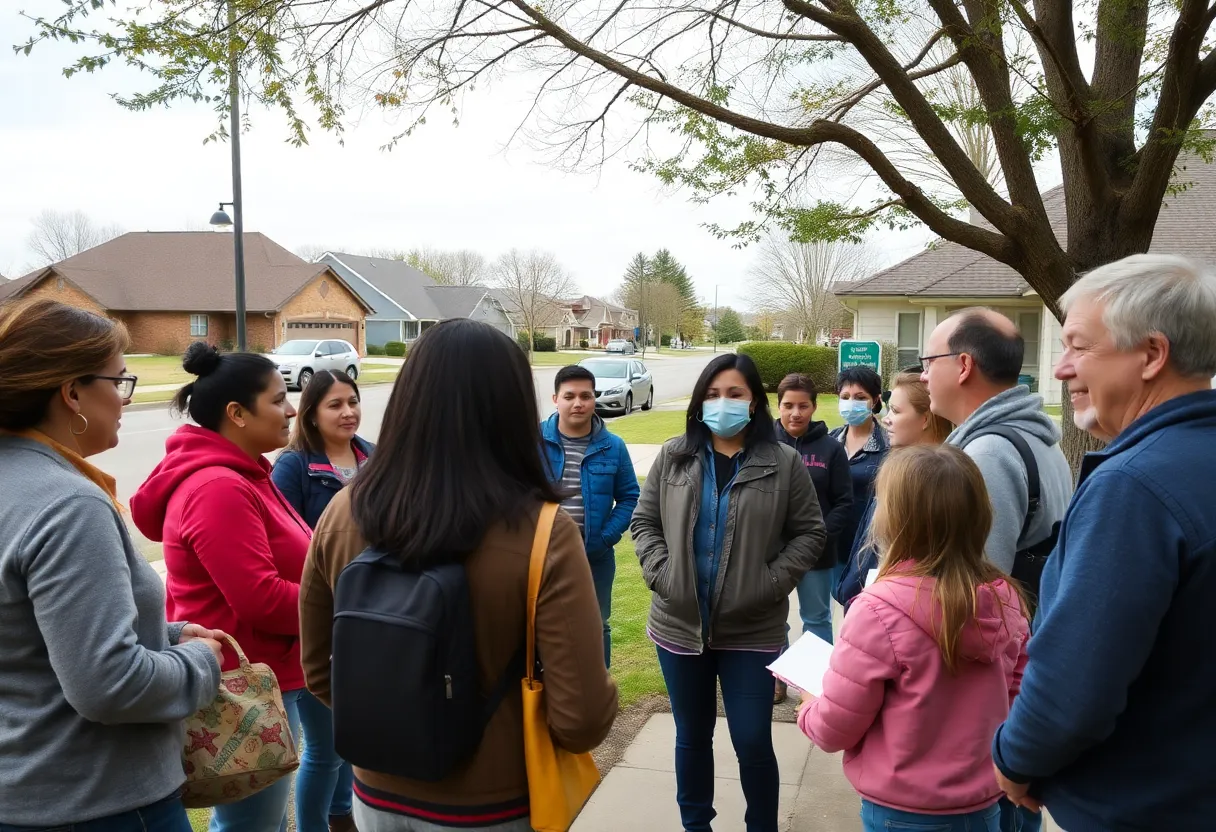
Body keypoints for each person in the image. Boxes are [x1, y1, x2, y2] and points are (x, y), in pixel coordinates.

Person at [298, 319, 618, 831]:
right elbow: (580, 719)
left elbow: (319, 669)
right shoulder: (543, 530)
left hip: (375, 796)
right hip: (493, 803)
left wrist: (401, 716)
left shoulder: (341, 511)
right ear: (512, 407)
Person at [992, 254, 1216, 830]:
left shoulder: (1133, 487)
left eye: (1078, 347)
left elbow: (1074, 684)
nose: (1061, 369)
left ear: (1151, 354)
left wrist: (1014, 759)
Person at [0, 299, 222, 832]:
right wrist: (199, 662)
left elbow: (27, 633)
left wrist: (160, 632)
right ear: (72, 392)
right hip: (102, 804)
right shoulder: (67, 504)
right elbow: (110, 684)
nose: (127, 397)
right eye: (119, 381)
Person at [631, 353, 826, 832]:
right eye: (713, 394)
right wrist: (663, 573)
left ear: (755, 402)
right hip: (679, 627)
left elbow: (810, 533)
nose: (723, 403)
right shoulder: (674, 455)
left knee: (753, 738)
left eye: (735, 393)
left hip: (752, 630)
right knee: (692, 736)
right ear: (699, 403)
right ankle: (696, 825)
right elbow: (644, 522)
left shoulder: (782, 463)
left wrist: (769, 583)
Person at [799, 444, 1030, 832]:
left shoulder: (876, 610)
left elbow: (834, 728)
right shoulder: (1005, 599)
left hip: (901, 812)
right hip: (982, 804)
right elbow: (1020, 700)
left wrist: (809, 703)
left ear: (893, 519)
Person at [131, 342, 312, 832]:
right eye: (277, 400)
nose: (291, 408)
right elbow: (262, 600)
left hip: (265, 674)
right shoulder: (219, 487)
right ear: (237, 413)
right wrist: (348, 602)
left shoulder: (248, 474)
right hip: (243, 687)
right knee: (250, 826)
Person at [272, 370, 374, 832]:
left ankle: (343, 816)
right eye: (335, 404)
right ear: (310, 413)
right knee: (323, 747)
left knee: (351, 737)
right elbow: (282, 543)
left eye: (352, 401)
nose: (348, 412)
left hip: (369, 618)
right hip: (318, 621)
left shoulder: (373, 457)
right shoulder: (292, 467)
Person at [920, 309, 1072, 577]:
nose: (923, 376)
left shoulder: (988, 455)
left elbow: (978, 589)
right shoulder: (1035, 433)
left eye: (929, 362)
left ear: (964, 366)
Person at [541, 365, 639, 667]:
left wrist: (604, 537)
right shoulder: (532, 442)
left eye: (586, 395)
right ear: (555, 399)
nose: (578, 403)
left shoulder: (614, 447)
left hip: (593, 557)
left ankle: (597, 697)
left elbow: (629, 497)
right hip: (541, 556)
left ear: (594, 399)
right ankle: (547, 698)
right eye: (569, 396)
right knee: (541, 626)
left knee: (596, 625)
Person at [834, 371, 953, 609]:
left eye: (896, 411)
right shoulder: (897, 467)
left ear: (925, 419)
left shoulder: (932, 483)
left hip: (889, 611)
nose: (886, 419)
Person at [772, 373, 851, 703]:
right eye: (788, 405)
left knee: (816, 618)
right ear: (778, 406)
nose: (795, 413)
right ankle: (777, 679)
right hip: (772, 553)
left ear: (815, 407)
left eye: (803, 406)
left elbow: (845, 502)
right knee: (772, 619)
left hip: (817, 553)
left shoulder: (831, 449)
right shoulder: (763, 445)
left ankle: (813, 686)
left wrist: (818, 537)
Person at [828, 367, 889, 601]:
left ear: (875, 401)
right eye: (845, 397)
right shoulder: (830, 440)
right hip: (832, 547)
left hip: (868, 551)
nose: (851, 403)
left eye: (860, 397)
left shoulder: (889, 445)